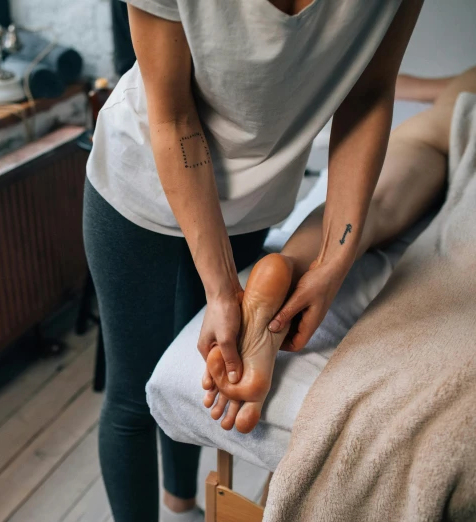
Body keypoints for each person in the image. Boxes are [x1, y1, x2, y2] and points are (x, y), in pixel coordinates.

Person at [83, 0, 424, 520]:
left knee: (199, 360)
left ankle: (181, 502)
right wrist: (221, 290)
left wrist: (334, 262)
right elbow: (172, 115)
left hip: (252, 202)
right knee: (134, 394)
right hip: (139, 182)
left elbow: (370, 92)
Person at [204, 66, 476, 433]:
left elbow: (442, 86)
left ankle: (290, 269)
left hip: (451, 122)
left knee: (374, 204)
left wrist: (436, 88)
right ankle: (277, 298)